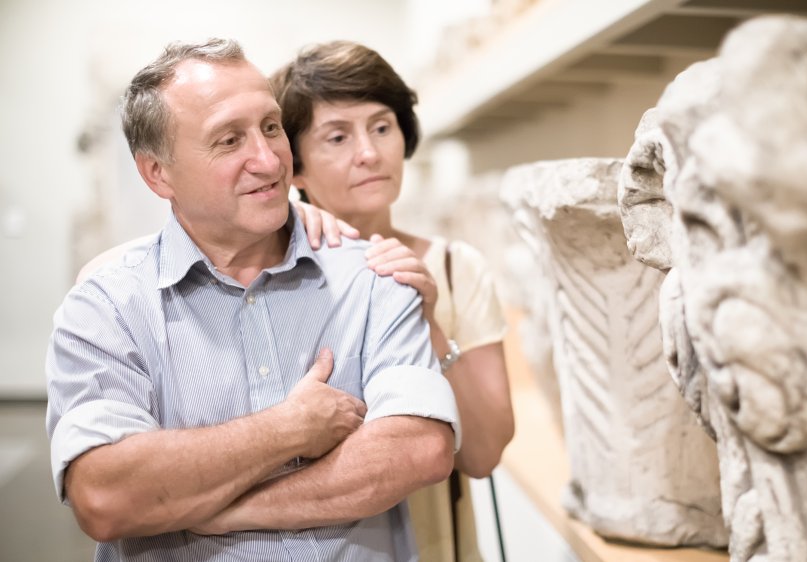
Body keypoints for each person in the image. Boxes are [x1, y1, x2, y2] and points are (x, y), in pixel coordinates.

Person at [45, 38, 460, 561]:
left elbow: (418, 450)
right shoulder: (107, 305)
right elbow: (105, 496)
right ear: (157, 173)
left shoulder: (375, 276)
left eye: (270, 128)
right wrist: (288, 429)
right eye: (228, 140)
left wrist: (216, 509)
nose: (267, 160)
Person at [271, 40, 515, 562]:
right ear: (295, 169)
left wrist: (427, 319)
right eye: (337, 136)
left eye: (382, 127)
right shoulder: (272, 270)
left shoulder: (456, 267)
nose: (369, 152)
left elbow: (485, 453)